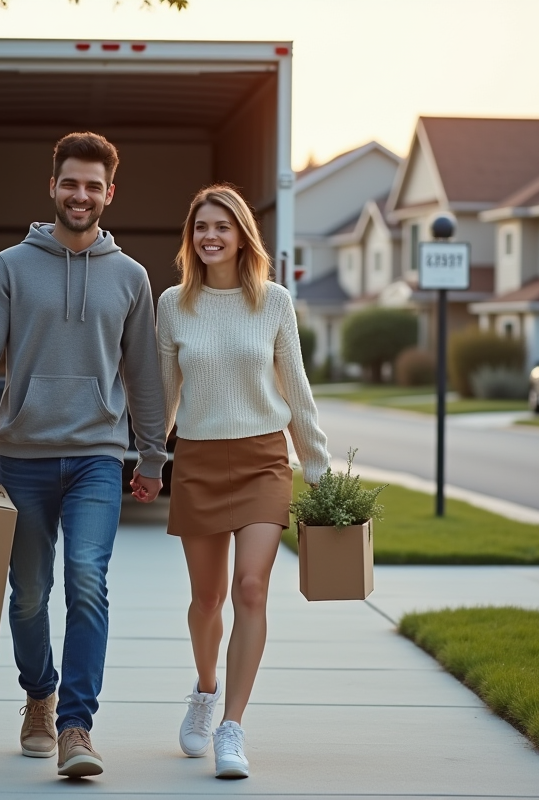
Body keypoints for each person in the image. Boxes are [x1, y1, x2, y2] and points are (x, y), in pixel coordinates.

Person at [0, 131, 167, 779]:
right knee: (29, 595)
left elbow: (145, 374)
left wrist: (151, 456)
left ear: (110, 194)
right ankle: (38, 695)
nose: (81, 194)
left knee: (87, 583)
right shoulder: (12, 266)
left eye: (94, 185)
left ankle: (76, 726)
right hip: (27, 459)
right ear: (53, 187)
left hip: (98, 456)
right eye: (71, 182)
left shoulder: (130, 276)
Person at [156, 184, 329, 779]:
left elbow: (297, 393)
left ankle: (232, 725)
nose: (210, 236)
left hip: (262, 459)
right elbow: (163, 395)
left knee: (250, 589)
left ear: (241, 236)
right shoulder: (173, 305)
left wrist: (320, 471)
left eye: (221, 227)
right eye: (201, 227)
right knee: (207, 601)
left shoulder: (274, 303)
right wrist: (152, 460)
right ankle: (205, 691)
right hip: (200, 461)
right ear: (191, 237)